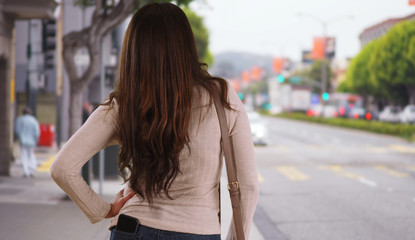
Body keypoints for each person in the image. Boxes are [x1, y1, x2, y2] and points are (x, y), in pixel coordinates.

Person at [50, 3, 259, 240]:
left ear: (134, 50)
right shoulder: (221, 96)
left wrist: (102, 210)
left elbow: (62, 168)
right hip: (198, 231)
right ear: (186, 45)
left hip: (132, 229)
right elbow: (248, 186)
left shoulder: (124, 104)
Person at [14, 106, 40, 178]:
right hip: (32, 142)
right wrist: (36, 141)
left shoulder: (20, 120)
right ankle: (31, 170)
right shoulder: (33, 120)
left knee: (24, 156)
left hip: (23, 141)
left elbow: (17, 130)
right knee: (31, 155)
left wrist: (18, 138)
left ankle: (26, 171)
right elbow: (37, 132)